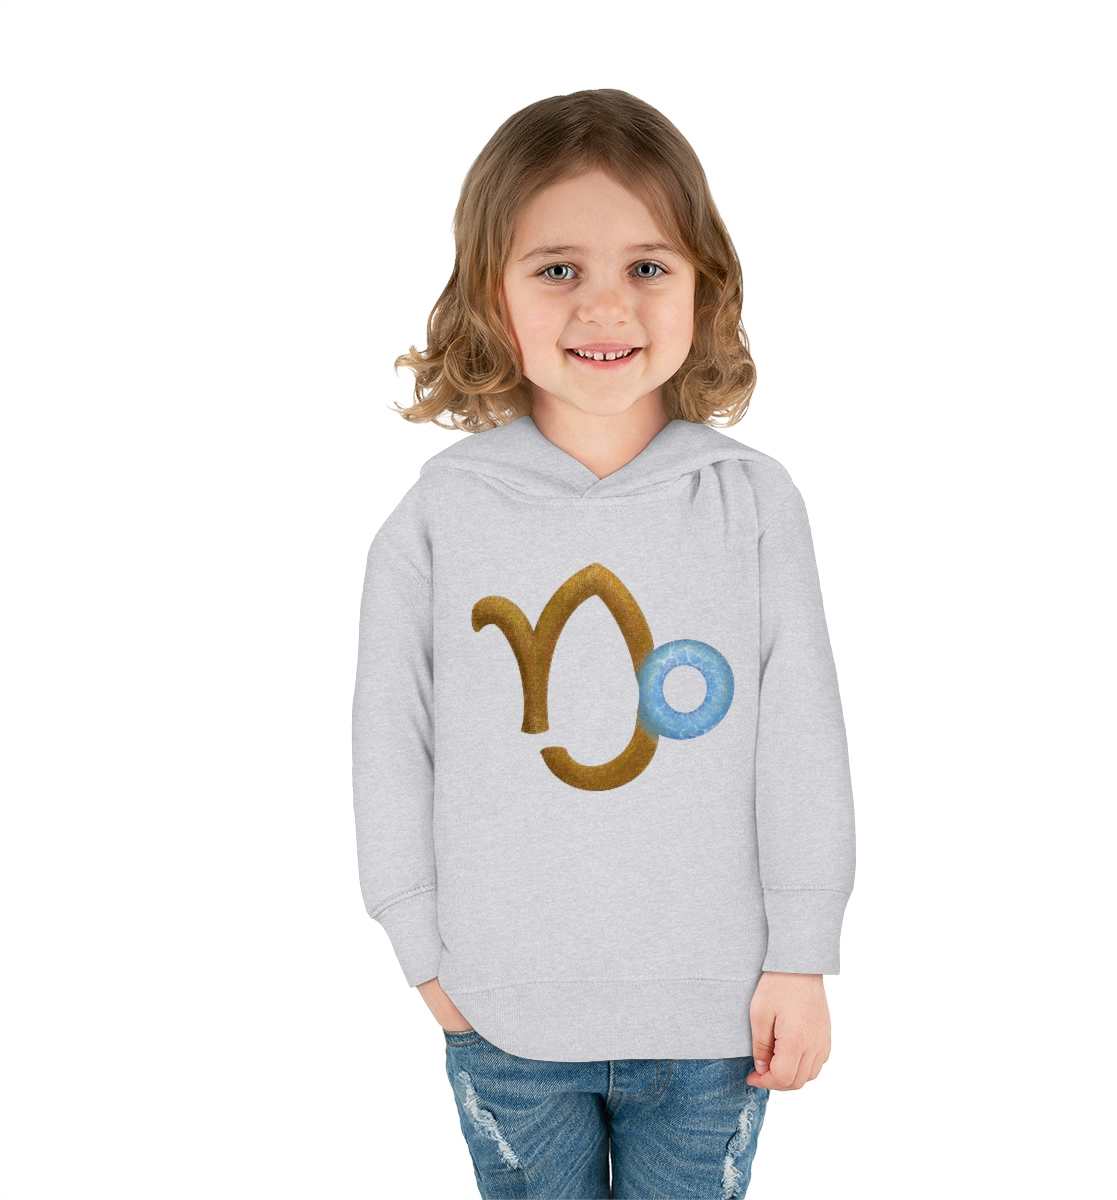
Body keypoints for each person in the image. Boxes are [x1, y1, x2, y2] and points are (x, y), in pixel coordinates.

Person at [351, 88, 856, 1200]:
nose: (605, 305)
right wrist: (421, 951)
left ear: (703, 285)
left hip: (717, 1018)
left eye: (647, 265)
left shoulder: (753, 504)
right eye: (558, 268)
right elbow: (390, 738)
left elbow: (802, 736)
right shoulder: (440, 515)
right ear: (491, 293)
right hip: (503, 1011)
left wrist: (802, 953)